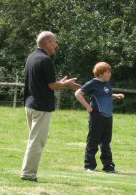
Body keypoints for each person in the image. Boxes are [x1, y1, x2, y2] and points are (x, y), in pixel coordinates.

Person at [20, 31, 80, 182]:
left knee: (33, 140)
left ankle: (28, 172)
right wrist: (66, 85)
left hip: (30, 104)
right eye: (55, 41)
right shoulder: (46, 60)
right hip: (41, 107)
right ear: (47, 43)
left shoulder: (32, 57)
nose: (56, 44)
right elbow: (52, 85)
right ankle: (28, 174)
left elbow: (44, 82)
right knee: (37, 142)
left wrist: (61, 83)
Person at [75, 62, 125, 172]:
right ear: (101, 73)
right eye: (108, 72)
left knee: (106, 142)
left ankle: (108, 166)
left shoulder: (106, 84)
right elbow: (78, 93)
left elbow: (105, 95)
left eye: (110, 72)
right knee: (93, 141)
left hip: (108, 116)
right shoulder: (92, 83)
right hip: (97, 116)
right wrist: (88, 107)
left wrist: (115, 96)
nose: (110, 74)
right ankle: (89, 165)